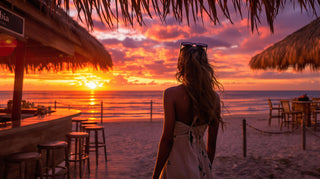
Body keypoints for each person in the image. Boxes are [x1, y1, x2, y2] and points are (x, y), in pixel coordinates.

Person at [152, 42, 223, 179]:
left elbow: (167, 140)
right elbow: (211, 145)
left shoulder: (171, 94)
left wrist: (155, 175)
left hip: (176, 164)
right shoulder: (213, 98)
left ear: (181, 66)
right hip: (201, 163)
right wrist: (204, 168)